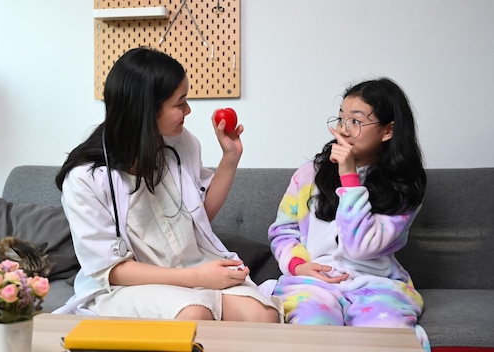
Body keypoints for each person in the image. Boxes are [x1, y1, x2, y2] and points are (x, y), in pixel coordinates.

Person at [54, 47, 281, 323]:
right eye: (179, 103)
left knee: (263, 316)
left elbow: (200, 218)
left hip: (194, 268)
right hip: (128, 286)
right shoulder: (84, 179)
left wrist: (230, 157)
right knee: (194, 315)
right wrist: (197, 278)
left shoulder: (181, 142)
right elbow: (110, 270)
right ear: (146, 109)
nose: (188, 110)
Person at [262, 77, 430, 351]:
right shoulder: (310, 173)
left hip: (376, 284)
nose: (344, 129)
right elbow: (283, 231)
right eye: (341, 119)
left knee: (387, 337)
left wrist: (349, 177)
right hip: (314, 283)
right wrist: (298, 266)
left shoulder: (405, 186)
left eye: (356, 121)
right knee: (312, 328)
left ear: (388, 131)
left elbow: (361, 247)